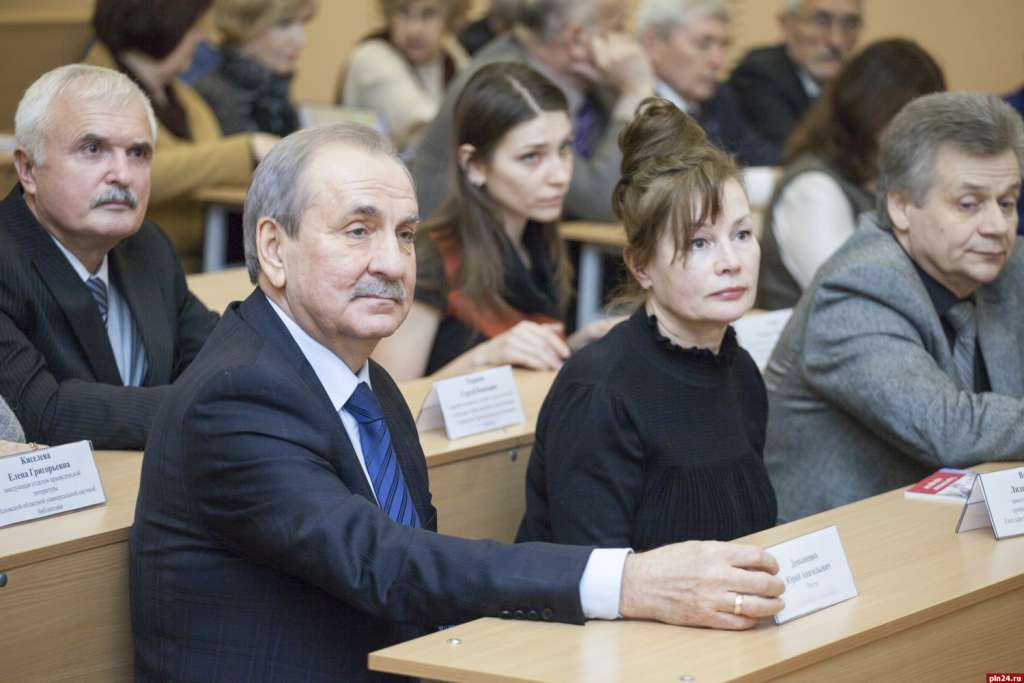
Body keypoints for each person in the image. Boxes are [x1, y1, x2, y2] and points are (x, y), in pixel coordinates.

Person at [130, 122, 787, 681]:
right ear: (274, 248)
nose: (392, 261)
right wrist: (632, 582)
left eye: (407, 234)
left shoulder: (367, 383)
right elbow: (385, 560)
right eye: (358, 230)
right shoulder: (239, 394)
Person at [517, 98, 776, 549]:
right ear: (641, 266)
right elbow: (592, 576)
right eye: (699, 243)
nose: (731, 262)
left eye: (741, 234)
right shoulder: (599, 394)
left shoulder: (741, 373)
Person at [763, 92, 1024, 522]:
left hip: (954, 534)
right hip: (844, 558)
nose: (997, 226)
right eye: (969, 204)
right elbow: (949, 429)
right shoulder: (858, 288)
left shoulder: (1004, 269)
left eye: (1008, 202)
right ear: (902, 207)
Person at [0, 65, 219, 450]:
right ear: (28, 169)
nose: (122, 174)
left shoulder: (147, 245)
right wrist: (214, 410)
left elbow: (217, 358)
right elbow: (43, 414)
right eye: (92, 149)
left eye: (138, 153)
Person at [374, 63, 617, 380]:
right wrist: (486, 357)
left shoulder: (541, 241)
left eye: (564, 149)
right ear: (474, 165)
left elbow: (519, 373)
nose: (559, 175)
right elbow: (388, 405)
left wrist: (578, 345)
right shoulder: (431, 259)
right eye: (532, 157)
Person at [410, 0, 655, 222]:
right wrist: (636, 90)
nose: (629, 46)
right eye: (617, 27)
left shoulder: (587, 79)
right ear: (577, 38)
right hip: (453, 257)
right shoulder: (508, 86)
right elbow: (605, 201)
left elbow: (653, 182)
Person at [86, 0, 278, 271]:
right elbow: (131, 172)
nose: (201, 38)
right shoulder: (93, 92)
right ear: (160, 25)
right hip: (130, 266)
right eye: (192, 27)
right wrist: (245, 150)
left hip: (194, 260)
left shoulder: (184, 96)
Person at [756, 39, 945, 310]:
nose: (917, 136)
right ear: (866, 108)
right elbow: (852, 301)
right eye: (904, 119)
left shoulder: (892, 178)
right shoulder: (813, 187)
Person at [636, 0, 779, 166]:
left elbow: (766, 158)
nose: (718, 61)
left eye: (723, 45)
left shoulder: (721, 98)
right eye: (703, 44)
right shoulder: (627, 105)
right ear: (653, 44)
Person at [337, 0, 470, 152]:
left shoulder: (451, 57)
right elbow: (427, 125)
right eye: (402, 12)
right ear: (388, 14)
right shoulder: (371, 56)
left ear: (450, 19)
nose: (414, 29)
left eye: (429, 14)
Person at [729, 0, 863, 149]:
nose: (837, 41)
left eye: (850, 24)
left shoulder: (860, 83)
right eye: (821, 20)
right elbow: (794, 153)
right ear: (786, 26)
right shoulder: (759, 74)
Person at [194, 0, 316, 137]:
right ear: (245, 26)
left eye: (302, 24)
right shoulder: (213, 96)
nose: (300, 40)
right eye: (284, 24)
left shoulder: (273, 92)